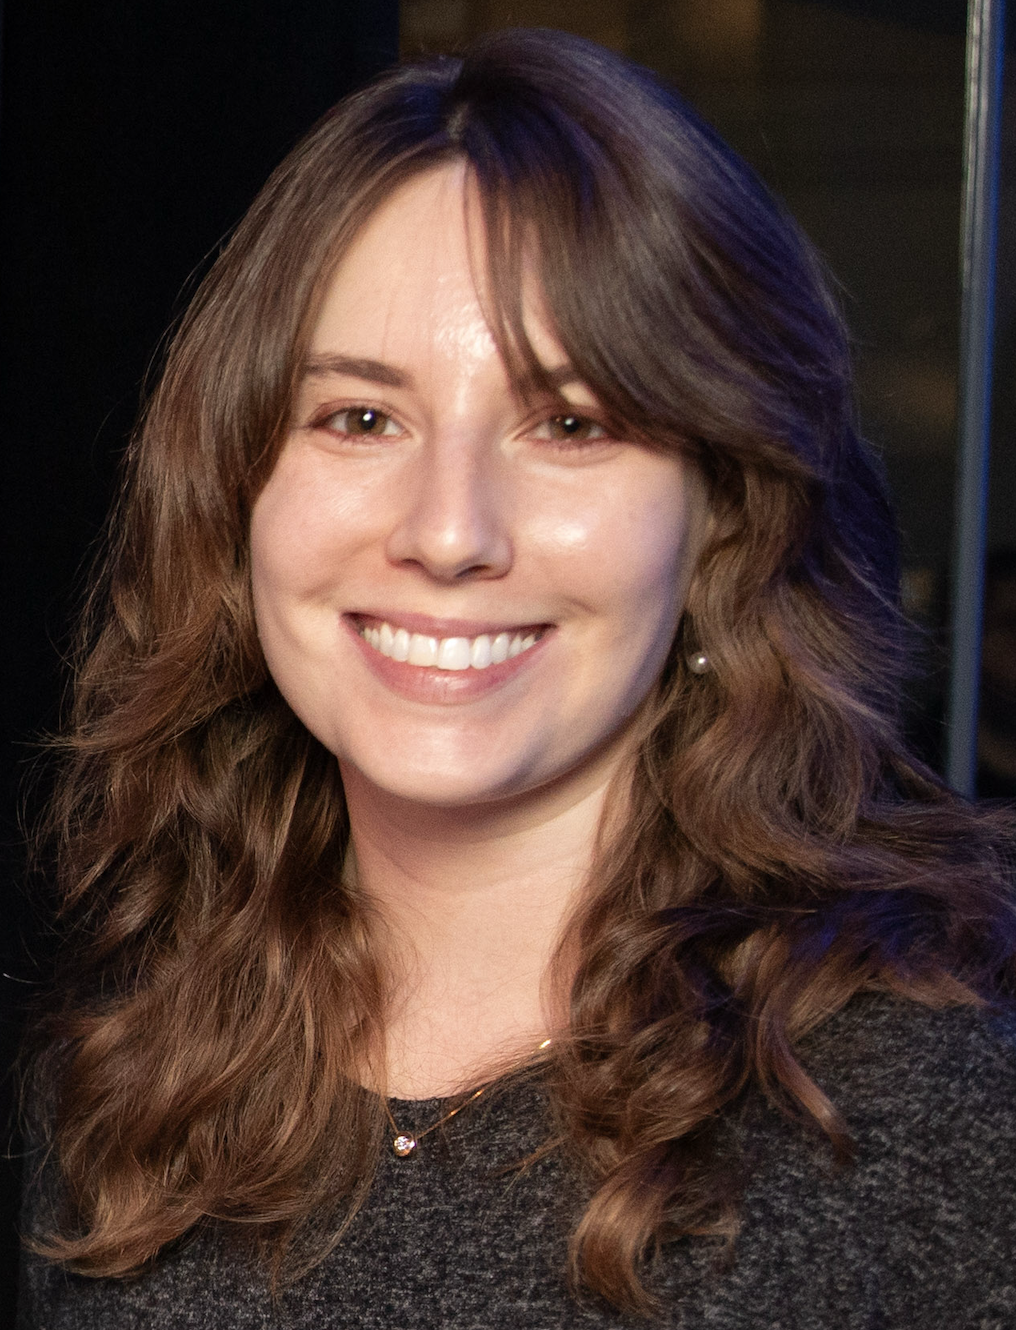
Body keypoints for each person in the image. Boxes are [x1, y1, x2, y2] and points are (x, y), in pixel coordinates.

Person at [17, 27, 1016, 1329]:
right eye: (359, 418)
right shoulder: (124, 1076)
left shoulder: (941, 1103)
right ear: (237, 498)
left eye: (572, 423)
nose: (448, 530)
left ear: (725, 517)